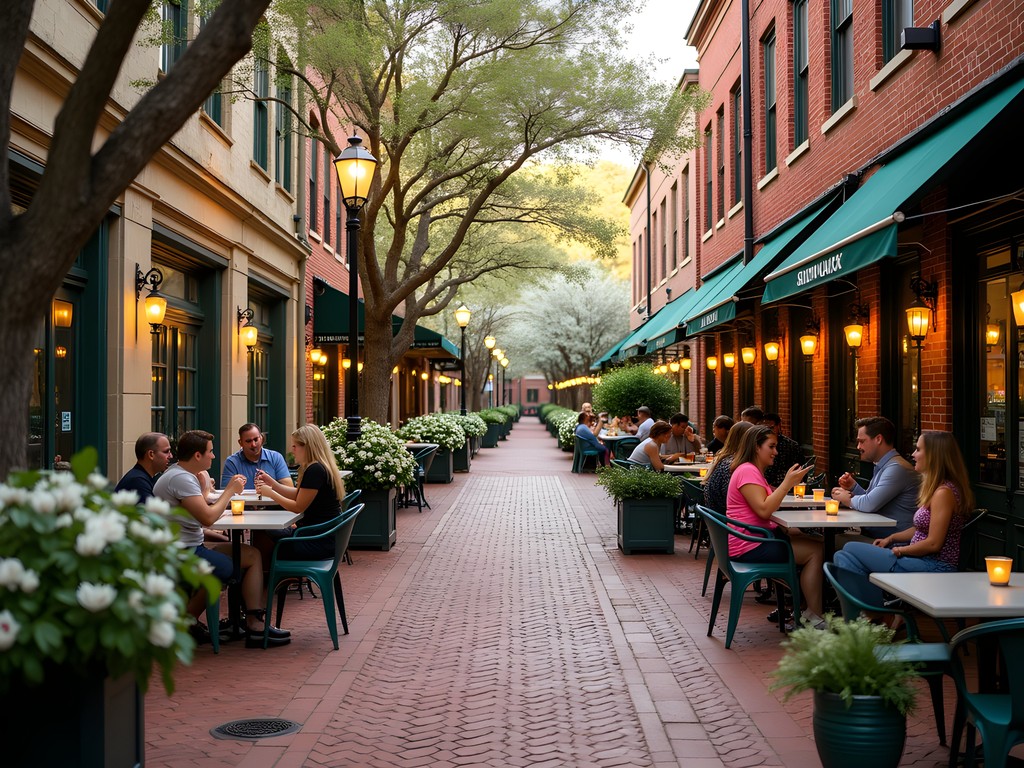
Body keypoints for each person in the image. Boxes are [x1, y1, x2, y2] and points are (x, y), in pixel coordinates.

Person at [154, 430, 290, 648]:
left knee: (251, 554)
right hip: (183, 552)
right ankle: (248, 625)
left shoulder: (181, 475)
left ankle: (249, 620)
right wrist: (230, 491)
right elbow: (208, 518)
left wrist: (207, 486)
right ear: (198, 456)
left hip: (189, 546)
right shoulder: (180, 479)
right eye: (210, 452)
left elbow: (203, 506)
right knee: (227, 568)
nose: (213, 456)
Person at [833, 431, 974, 603]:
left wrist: (899, 550)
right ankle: (874, 614)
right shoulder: (935, 489)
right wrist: (891, 539)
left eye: (918, 449)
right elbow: (920, 528)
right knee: (842, 557)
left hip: (933, 567)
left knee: (849, 548)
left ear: (934, 456)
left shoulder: (943, 493)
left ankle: (875, 614)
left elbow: (933, 543)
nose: (913, 454)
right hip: (917, 561)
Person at [726, 425, 822, 622]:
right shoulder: (747, 471)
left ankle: (804, 610)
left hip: (754, 540)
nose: (776, 452)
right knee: (817, 551)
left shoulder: (750, 471)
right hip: (751, 546)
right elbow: (764, 509)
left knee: (812, 541)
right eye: (771, 446)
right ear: (756, 447)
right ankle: (815, 615)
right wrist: (788, 483)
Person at [254, 424, 349, 562]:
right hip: (323, 536)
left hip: (316, 540)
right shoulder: (319, 466)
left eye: (295, 446)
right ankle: (277, 579)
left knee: (264, 533)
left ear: (307, 447)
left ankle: (274, 578)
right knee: (267, 530)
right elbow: (298, 494)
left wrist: (271, 494)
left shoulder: (315, 470)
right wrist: (273, 484)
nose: (292, 450)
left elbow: (298, 507)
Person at [830, 416, 920, 538]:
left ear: (878, 439)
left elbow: (869, 504)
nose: (858, 447)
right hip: (879, 537)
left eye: (862, 441)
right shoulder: (884, 464)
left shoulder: (896, 468)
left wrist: (847, 500)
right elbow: (873, 500)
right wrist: (853, 487)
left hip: (893, 543)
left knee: (832, 544)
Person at [220, 423, 293, 490]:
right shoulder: (232, 462)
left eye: (256, 439)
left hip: (272, 503)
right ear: (240, 442)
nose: (253, 445)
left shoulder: (276, 457)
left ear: (261, 438)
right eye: (248, 441)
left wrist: (271, 486)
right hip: (244, 504)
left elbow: (289, 487)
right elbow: (225, 491)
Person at [702, 421, 755, 513]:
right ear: (748, 441)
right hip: (729, 522)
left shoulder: (724, 459)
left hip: (717, 521)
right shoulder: (736, 466)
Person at [114, 432, 173, 502]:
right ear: (151, 454)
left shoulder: (142, 478)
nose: (171, 456)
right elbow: (151, 511)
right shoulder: (137, 481)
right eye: (166, 451)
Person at [762, 413, 804, 488]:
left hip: (787, 487)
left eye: (771, 428)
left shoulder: (791, 445)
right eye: (764, 428)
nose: (768, 432)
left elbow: (797, 470)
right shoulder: (757, 445)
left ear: (778, 426)